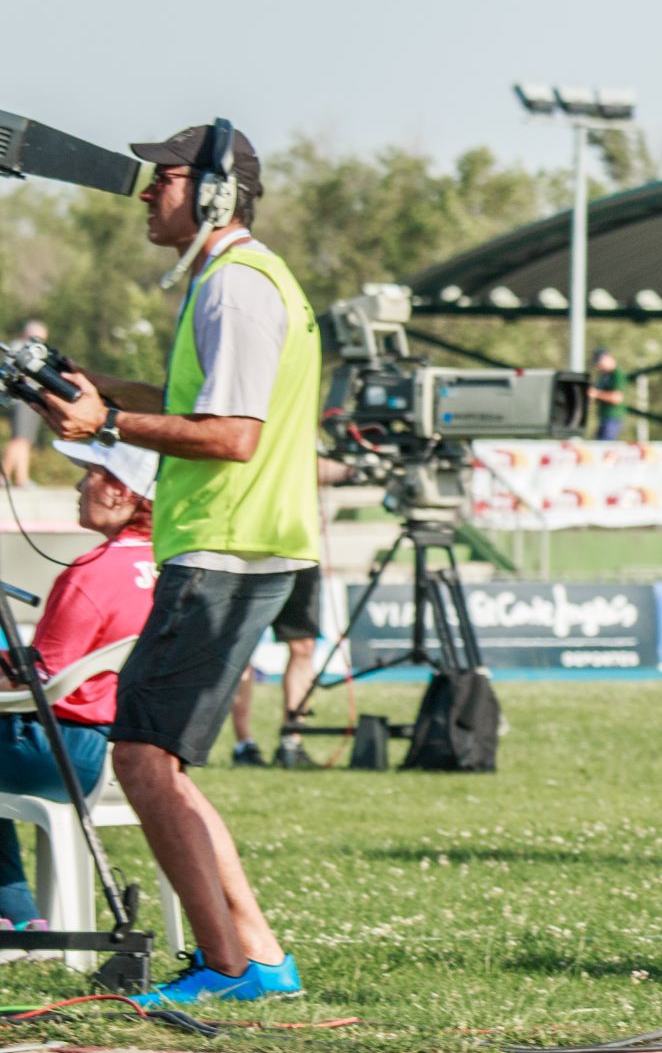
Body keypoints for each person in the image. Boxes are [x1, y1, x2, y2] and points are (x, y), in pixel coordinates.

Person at [35, 122, 317, 1007]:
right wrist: (102, 389)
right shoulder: (238, 280)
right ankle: (256, 956)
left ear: (215, 194)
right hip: (237, 546)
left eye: (161, 180)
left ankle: (229, 967)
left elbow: (231, 436)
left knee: (143, 759)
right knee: (158, 761)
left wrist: (104, 429)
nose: (146, 193)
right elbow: (206, 405)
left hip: (225, 546)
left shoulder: (233, 288)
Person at [0, 440, 158, 932]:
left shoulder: (92, 572)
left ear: (121, 491)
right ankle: (16, 914)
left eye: (89, 472)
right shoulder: (170, 566)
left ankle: (16, 914)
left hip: (66, 750)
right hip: (136, 751)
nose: (77, 484)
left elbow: (37, 680)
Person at [228, 566, 321, 768]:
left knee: (304, 646)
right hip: (250, 557)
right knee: (240, 646)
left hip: (299, 557)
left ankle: (292, 741)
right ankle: (244, 745)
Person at [2, 320, 49, 488]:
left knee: (25, 440)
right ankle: (3, 475)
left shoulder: (24, 347)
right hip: (21, 398)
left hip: (29, 399)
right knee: (19, 439)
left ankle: (21, 478)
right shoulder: (19, 348)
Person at [589, 348, 626, 442]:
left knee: (605, 445)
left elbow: (617, 397)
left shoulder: (617, 374)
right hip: (603, 417)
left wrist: (596, 394)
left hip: (613, 418)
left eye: (599, 361)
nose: (598, 366)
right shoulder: (603, 376)